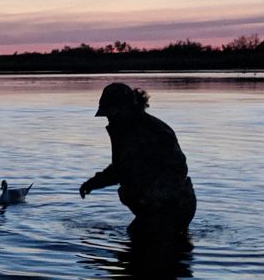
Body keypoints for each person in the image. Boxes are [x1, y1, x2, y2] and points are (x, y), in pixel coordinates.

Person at [79, 83, 196, 232]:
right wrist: (93, 183)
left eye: (110, 112)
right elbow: (122, 167)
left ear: (124, 108)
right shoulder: (130, 129)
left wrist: (152, 201)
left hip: (168, 208)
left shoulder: (148, 132)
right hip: (158, 207)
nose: (108, 118)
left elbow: (174, 170)